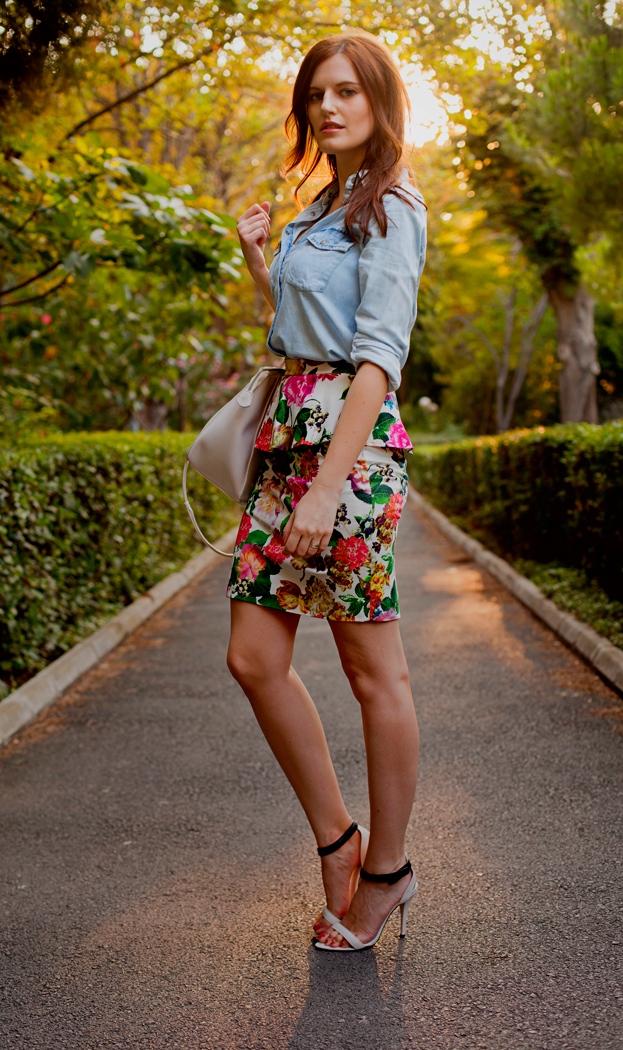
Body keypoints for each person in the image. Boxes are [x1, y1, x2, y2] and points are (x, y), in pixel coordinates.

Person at [226, 29, 426, 952]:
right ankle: (338, 840)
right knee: (254, 658)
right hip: (288, 432)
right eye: (317, 94)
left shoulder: (393, 207)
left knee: (368, 669)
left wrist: (325, 490)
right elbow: (300, 326)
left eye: (347, 90)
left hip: (347, 444)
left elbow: (378, 358)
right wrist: (260, 259)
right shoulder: (321, 205)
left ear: (381, 100)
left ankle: (385, 871)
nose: (329, 107)